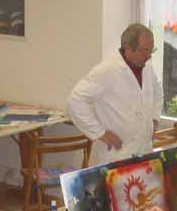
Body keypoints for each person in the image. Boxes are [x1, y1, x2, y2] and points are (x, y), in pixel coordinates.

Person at [67, 23, 163, 166]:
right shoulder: (107, 70)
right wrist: (100, 133)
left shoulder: (147, 67)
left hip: (142, 151)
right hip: (114, 155)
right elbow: (75, 100)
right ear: (127, 48)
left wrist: (154, 119)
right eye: (143, 51)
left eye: (151, 50)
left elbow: (157, 92)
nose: (148, 56)